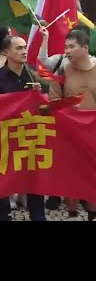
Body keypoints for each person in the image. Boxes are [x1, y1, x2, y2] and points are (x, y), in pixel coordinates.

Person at [0, 35, 46, 221]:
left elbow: (44, 107)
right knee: (3, 180)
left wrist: (39, 94)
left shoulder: (33, 73)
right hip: (6, 138)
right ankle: (4, 216)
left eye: (25, 47)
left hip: (30, 137)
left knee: (34, 179)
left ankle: (38, 216)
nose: (24, 51)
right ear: (6, 53)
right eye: (19, 48)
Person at [48, 29, 96, 221]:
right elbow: (54, 100)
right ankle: (72, 213)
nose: (67, 51)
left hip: (94, 134)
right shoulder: (61, 72)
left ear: (85, 48)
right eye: (65, 47)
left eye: (72, 46)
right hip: (70, 134)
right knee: (71, 177)